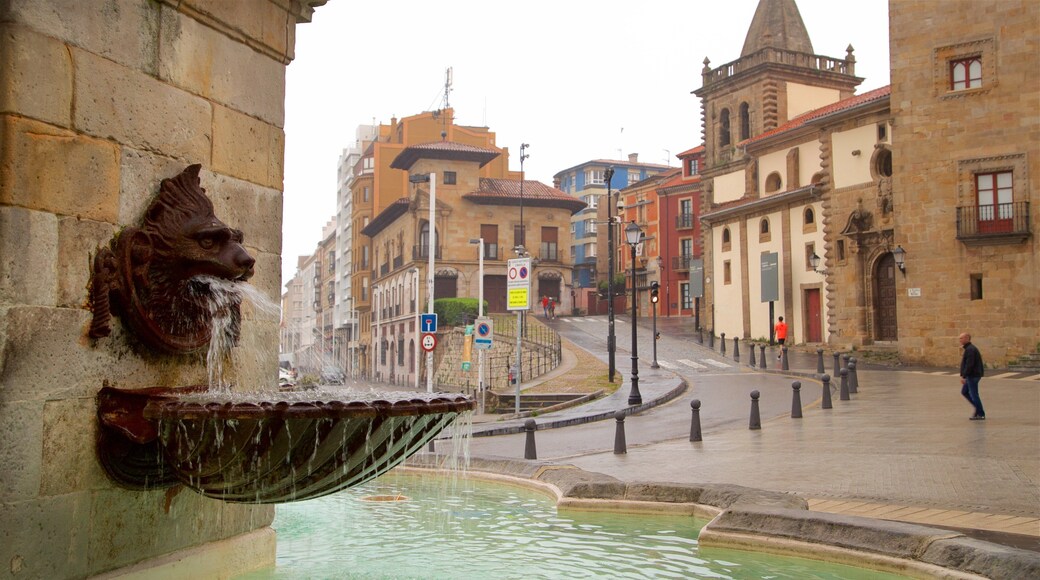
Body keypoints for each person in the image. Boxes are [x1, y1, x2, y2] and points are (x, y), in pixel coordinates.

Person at [959, 332, 986, 420]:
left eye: (961, 338)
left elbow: (969, 364)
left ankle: (980, 413)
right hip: (971, 375)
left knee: (974, 394)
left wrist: (964, 376)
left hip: (972, 375)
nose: (960, 340)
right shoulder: (969, 349)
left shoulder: (970, 349)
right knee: (964, 391)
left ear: (967, 338)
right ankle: (978, 409)